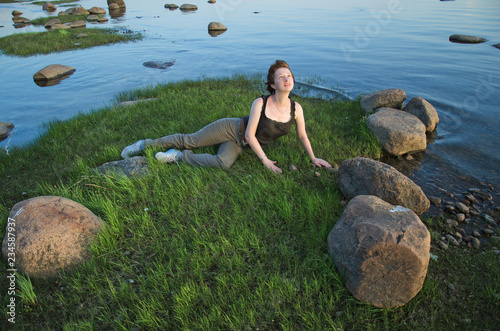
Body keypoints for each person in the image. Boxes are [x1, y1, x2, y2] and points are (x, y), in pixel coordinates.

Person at [121, 60, 332, 173]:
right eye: (281, 76)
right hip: (233, 129)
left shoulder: (297, 109)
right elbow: (250, 135)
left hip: (242, 144)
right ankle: (143, 145)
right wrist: (265, 160)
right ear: (272, 84)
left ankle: (178, 156)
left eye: (289, 75)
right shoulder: (261, 103)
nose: (286, 79)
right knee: (191, 140)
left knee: (223, 163)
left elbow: (302, 136)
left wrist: (313, 158)